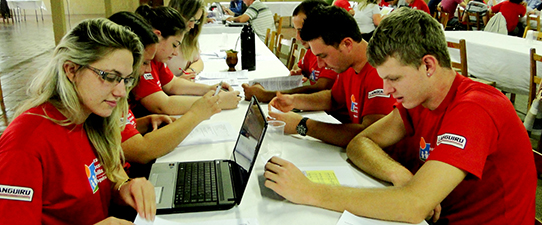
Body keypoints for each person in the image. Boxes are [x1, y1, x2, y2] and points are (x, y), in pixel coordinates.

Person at [264, 8, 536, 224]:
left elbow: (414, 205)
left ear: (428, 65)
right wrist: (400, 174)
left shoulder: (476, 108)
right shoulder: (419, 97)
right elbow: (360, 143)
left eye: (393, 78)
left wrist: (311, 192)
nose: (386, 89)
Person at [0, 18, 156, 224]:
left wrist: (124, 189)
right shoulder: (26, 144)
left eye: (125, 80)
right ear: (71, 70)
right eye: (109, 76)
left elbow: (90, 194)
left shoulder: (90, 120)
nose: (120, 92)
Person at [267, 6, 396, 148]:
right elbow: (333, 99)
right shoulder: (347, 65)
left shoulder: (380, 73)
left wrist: (302, 125)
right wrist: (294, 100)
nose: (321, 65)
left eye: (323, 56)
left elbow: (370, 136)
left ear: (347, 44)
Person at [109, 12, 221, 167]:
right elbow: (142, 151)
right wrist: (196, 113)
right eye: (143, 63)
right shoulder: (108, 95)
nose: (143, 71)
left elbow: (119, 130)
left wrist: (143, 123)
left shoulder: (117, 87)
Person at [132, 5, 240, 118]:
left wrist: (208, 89)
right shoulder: (143, 62)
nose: (176, 53)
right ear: (157, 36)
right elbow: (163, 105)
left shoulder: (157, 60)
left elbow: (173, 84)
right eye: (174, 45)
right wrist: (217, 101)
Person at [242, 0, 338, 103]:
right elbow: (299, 66)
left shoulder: (331, 52)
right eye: (296, 30)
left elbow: (321, 88)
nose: (297, 37)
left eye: (301, 31)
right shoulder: (311, 50)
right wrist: (297, 70)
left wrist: (266, 95)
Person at [167, 0, 206, 79]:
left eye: (196, 21)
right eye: (191, 19)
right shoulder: (163, 40)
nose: (192, 26)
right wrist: (178, 82)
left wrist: (190, 72)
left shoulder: (187, 37)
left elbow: (198, 61)